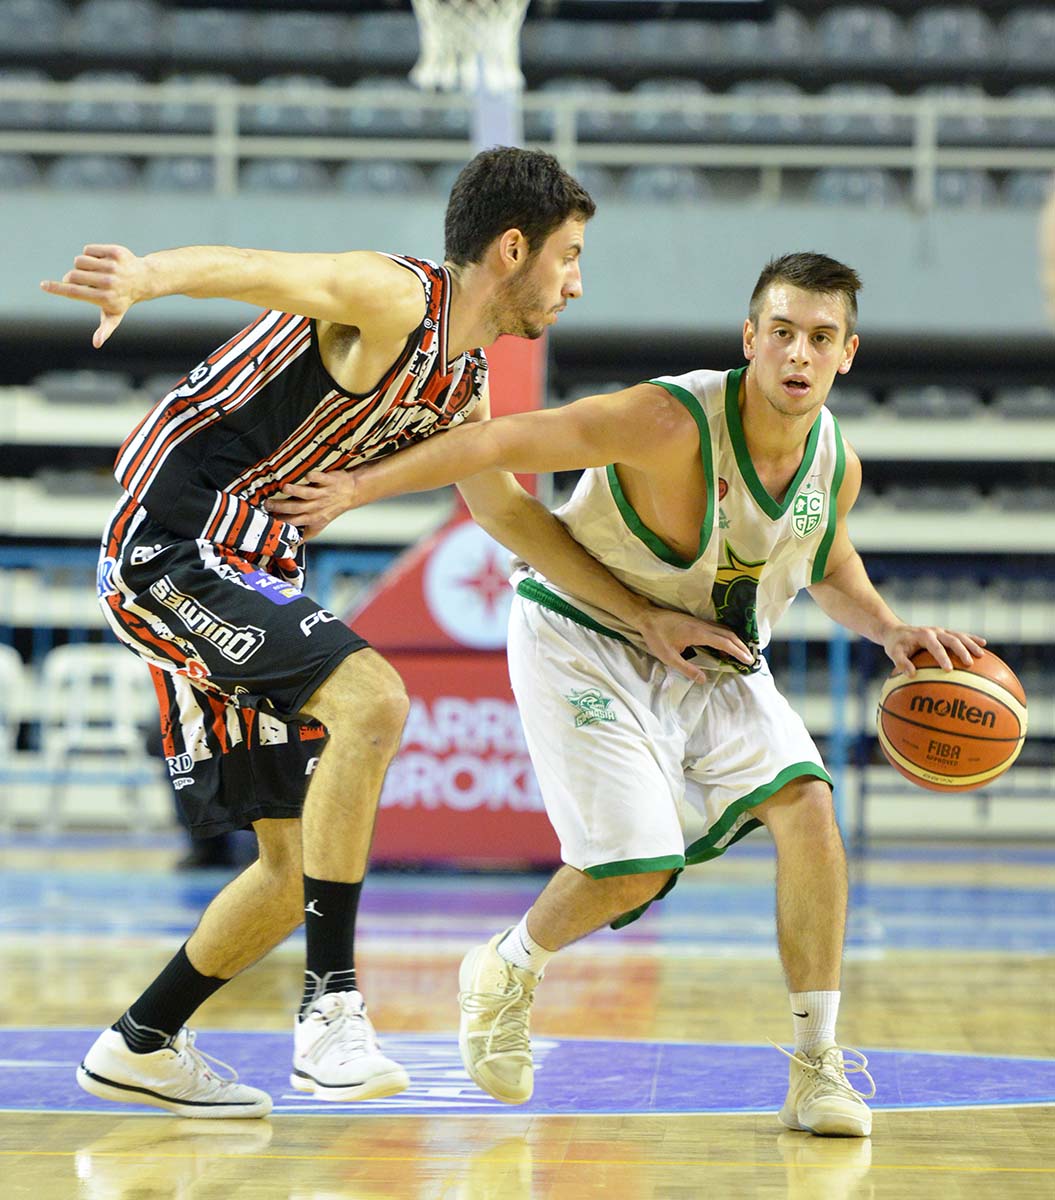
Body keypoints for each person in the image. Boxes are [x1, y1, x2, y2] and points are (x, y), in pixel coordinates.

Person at [39, 147, 732, 1119]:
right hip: (177, 544)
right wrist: (146, 276)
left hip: (249, 565)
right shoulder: (397, 299)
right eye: (568, 256)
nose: (576, 283)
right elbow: (265, 269)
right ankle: (330, 1011)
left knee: (290, 874)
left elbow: (509, 516)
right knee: (373, 699)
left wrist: (643, 615)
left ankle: (140, 1043)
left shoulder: (461, 383)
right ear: (512, 249)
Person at [268, 251, 986, 1137]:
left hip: (712, 654)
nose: (798, 354)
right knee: (637, 866)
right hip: (585, 636)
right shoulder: (666, 420)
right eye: (782, 332)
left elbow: (826, 559)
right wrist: (359, 486)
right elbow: (498, 443)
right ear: (750, 339)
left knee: (807, 806)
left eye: (820, 337)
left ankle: (816, 1066)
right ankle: (505, 967)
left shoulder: (834, 464)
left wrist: (887, 627)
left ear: (847, 353)